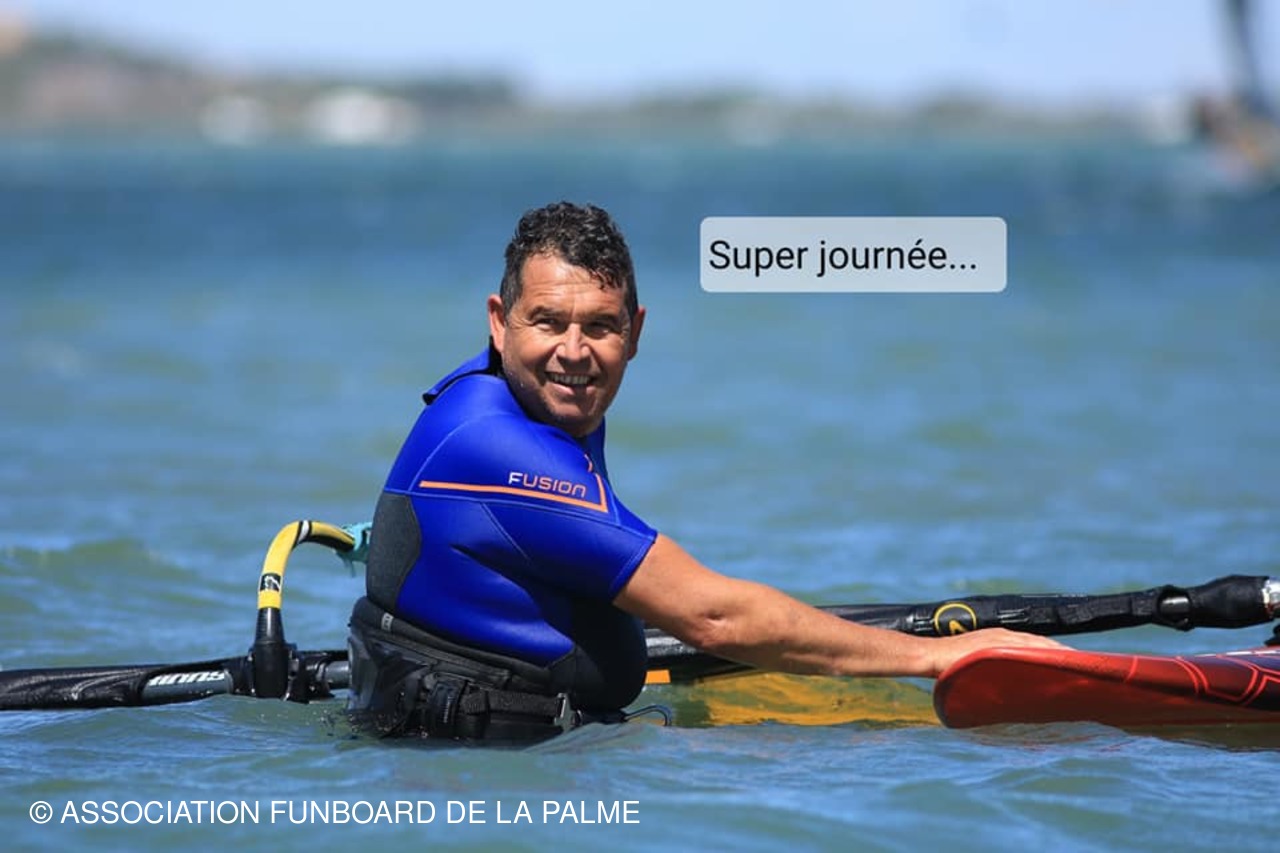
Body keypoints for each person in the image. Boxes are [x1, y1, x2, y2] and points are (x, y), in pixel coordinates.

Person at [346, 201, 1064, 742]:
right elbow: (713, 616)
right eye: (548, 321)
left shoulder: (523, 399)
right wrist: (939, 656)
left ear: (635, 332)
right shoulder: (495, 446)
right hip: (477, 781)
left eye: (600, 325)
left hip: (506, 749)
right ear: (499, 322)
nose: (574, 350)